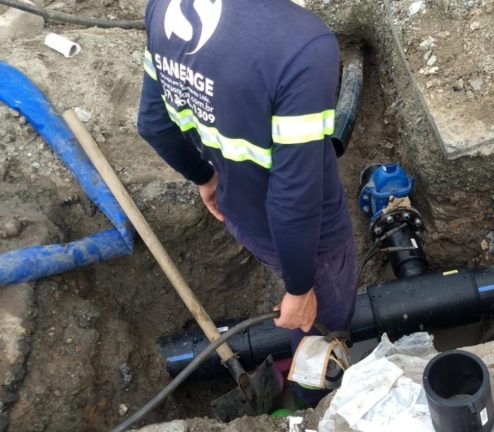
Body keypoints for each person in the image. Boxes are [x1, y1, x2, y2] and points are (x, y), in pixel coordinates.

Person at [137, 0, 357, 406]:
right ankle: (313, 406)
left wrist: (206, 176)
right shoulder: (303, 45)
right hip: (312, 237)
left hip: (240, 211)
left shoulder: (165, 6)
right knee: (321, 326)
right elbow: (294, 198)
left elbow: (153, 124)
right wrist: (299, 288)